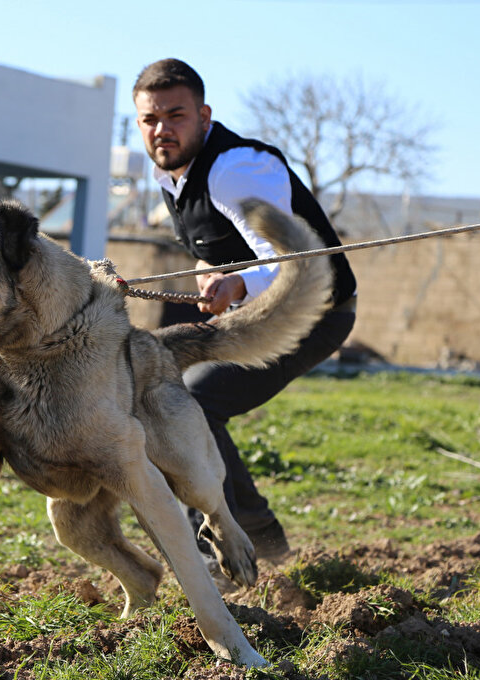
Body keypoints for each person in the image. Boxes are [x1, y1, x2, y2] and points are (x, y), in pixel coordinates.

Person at [133, 58, 357, 562]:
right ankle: (252, 532)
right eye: (150, 119)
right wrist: (210, 268)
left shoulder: (237, 168)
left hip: (314, 311)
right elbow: (213, 242)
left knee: (192, 400)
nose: (162, 130)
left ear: (205, 114)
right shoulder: (169, 172)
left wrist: (235, 283)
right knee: (164, 391)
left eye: (177, 115)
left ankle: (228, 546)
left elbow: (289, 264)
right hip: (252, 313)